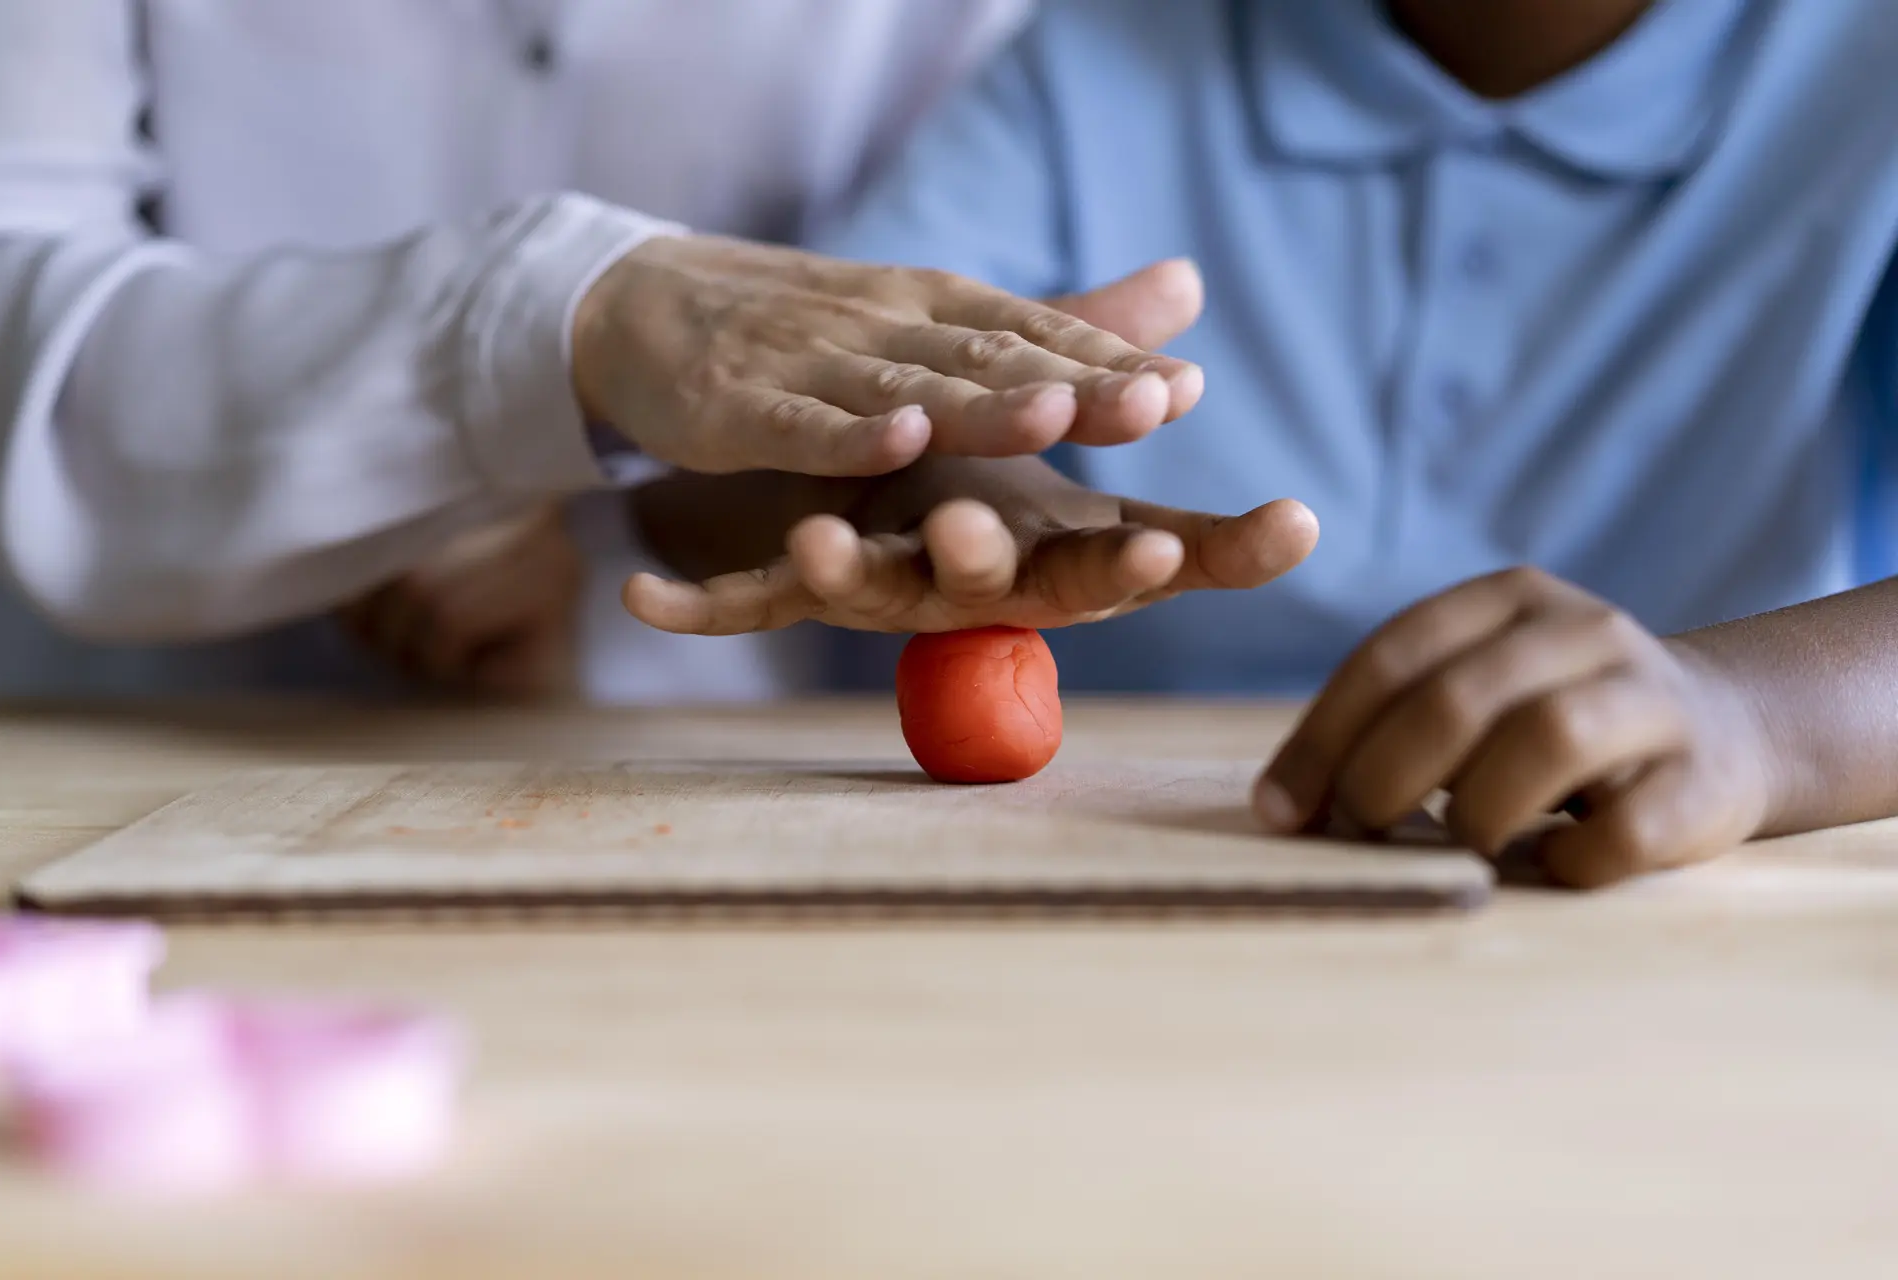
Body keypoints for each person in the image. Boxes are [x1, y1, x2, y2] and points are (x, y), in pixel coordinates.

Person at [624, 0, 1898, 886]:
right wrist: (958, 463)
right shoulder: (1100, 59)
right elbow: (738, 443)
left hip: (1645, 892)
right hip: (1098, 878)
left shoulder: (1863, 70)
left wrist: (1757, 719)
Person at [0, 0, 1277, 701]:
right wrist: (561, 328)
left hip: (674, 772)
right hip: (118, 755)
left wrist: (948, 462)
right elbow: (0, 310)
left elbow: (897, 335)